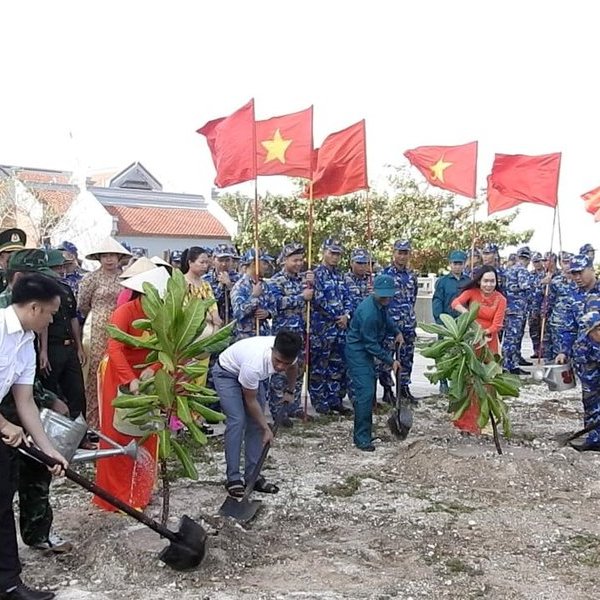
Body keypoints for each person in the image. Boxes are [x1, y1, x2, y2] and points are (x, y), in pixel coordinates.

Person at [0, 273, 68, 600]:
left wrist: (49, 450)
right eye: (52, 313)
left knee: (2, 500)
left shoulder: (25, 341)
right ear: (34, 307)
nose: (54, 319)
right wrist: (4, 425)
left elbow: (25, 401)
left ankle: (10, 585)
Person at [94, 267, 170, 511]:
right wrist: (130, 379)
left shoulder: (164, 315)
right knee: (117, 434)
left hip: (149, 376)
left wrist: (155, 367)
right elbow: (115, 348)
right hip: (120, 374)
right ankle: (115, 496)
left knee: (147, 432)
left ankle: (140, 494)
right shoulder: (125, 312)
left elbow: (168, 347)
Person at [211, 330, 302, 498]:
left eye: (285, 363)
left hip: (250, 377)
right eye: (278, 361)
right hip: (227, 373)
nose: (281, 367)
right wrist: (266, 428)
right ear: (272, 350)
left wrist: (290, 390)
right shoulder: (255, 364)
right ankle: (233, 479)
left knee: (255, 425)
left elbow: (294, 367)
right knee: (237, 421)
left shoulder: (290, 355)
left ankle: (253, 475)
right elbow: (250, 401)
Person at [77, 237, 132, 428]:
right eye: (105, 255)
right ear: (99, 258)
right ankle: (93, 422)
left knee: (118, 370)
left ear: (119, 257)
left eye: (112, 255)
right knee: (95, 373)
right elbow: (82, 305)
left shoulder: (127, 277)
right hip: (97, 329)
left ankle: (115, 420)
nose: (109, 259)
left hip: (122, 327)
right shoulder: (90, 279)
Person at [345, 275, 403, 451]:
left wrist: (397, 331)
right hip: (358, 351)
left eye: (389, 295)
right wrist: (391, 361)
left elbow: (387, 319)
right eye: (383, 295)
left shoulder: (381, 304)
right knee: (366, 393)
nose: (386, 299)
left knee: (368, 390)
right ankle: (361, 438)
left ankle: (366, 431)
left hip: (365, 350)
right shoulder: (368, 312)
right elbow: (370, 344)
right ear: (374, 292)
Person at [451, 266, 507, 433]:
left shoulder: (501, 299)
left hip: (489, 343)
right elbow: (455, 303)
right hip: (471, 342)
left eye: (492, 281)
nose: (489, 285)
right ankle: (465, 421)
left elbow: (497, 325)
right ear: (479, 281)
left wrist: (483, 333)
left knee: (488, 381)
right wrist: (468, 315)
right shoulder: (472, 293)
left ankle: (486, 423)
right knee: (469, 380)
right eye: (485, 281)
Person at [266, 243, 313, 424]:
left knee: (299, 370)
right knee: (280, 372)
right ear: (285, 260)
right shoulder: (276, 281)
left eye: (301, 260)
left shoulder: (304, 281)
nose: (298, 264)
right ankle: (279, 410)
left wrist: (310, 287)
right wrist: (301, 297)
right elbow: (275, 304)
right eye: (294, 260)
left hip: (301, 332)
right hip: (283, 333)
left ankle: (294, 407)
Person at [38, 250, 86, 419]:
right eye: (56, 266)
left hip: (69, 346)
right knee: (51, 391)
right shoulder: (41, 291)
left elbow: (74, 318)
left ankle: (81, 436)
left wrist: (79, 346)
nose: (60, 270)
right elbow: (43, 323)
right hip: (52, 347)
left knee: (77, 393)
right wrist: (43, 350)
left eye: (62, 266)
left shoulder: (66, 289)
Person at [309, 238, 353, 415]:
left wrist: (346, 315)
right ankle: (320, 402)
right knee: (320, 366)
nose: (335, 257)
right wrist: (336, 317)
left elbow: (348, 297)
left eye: (338, 254)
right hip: (322, 329)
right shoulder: (315, 275)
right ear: (324, 252)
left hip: (341, 329)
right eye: (331, 253)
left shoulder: (341, 276)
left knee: (338, 366)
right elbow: (317, 300)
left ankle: (335, 400)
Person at [381, 239, 419, 403]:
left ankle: (403, 387)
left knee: (407, 357)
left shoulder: (412, 276)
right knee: (387, 357)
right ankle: (388, 388)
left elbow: (413, 298)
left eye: (405, 253)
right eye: (400, 252)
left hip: (408, 324)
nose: (402, 256)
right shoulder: (385, 275)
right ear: (393, 253)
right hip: (390, 324)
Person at [431, 250, 470, 394]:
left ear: (464, 264)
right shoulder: (443, 282)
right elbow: (437, 301)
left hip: (463, 323)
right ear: (450, 264)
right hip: (446, 323)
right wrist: (439, 321)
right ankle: (442, 381)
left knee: (462, 352)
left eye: (460, 263)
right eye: (455, 263)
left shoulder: (468, 282)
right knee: (443, 353)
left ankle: (458, 380)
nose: (457, 266)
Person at [572, 311, 600, 452]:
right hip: (590, 383)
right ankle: (594, 440)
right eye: (598, 329)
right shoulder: (582, 346)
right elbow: (582, 368)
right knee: (591, 408)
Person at [231, 249, 273, 340]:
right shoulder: (240, 287)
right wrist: (254, 296)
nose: (266, 267)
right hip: (246, 338)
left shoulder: (264, 285)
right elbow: (238, 313)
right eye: (264, 263)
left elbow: (273, 306)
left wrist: (268, 313)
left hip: (263, 335)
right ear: (254, 264)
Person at [502, 246, 532, 375]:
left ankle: (510, 362)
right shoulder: (522, 271)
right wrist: (541, 282)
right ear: (528, 259)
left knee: (510, 337)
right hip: (517, 309)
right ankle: (510, 365)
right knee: (513, 338)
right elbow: (525, 286)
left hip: (509, 307)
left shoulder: (508, 270)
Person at [202, 244, 240, 324]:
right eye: (220, 260)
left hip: (234, 326)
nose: (224, 264)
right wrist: (220, 285)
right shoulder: (205, 280)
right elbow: (208, 303)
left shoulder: (239, 279)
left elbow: (241, 302)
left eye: (227, 260)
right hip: (213, 324)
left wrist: (229, 285)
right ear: (213, 260)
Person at [0, 228, 27, 293]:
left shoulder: (34, 280)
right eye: (10, 252)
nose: (16, 256)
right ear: (1, 259)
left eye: (19, 252)